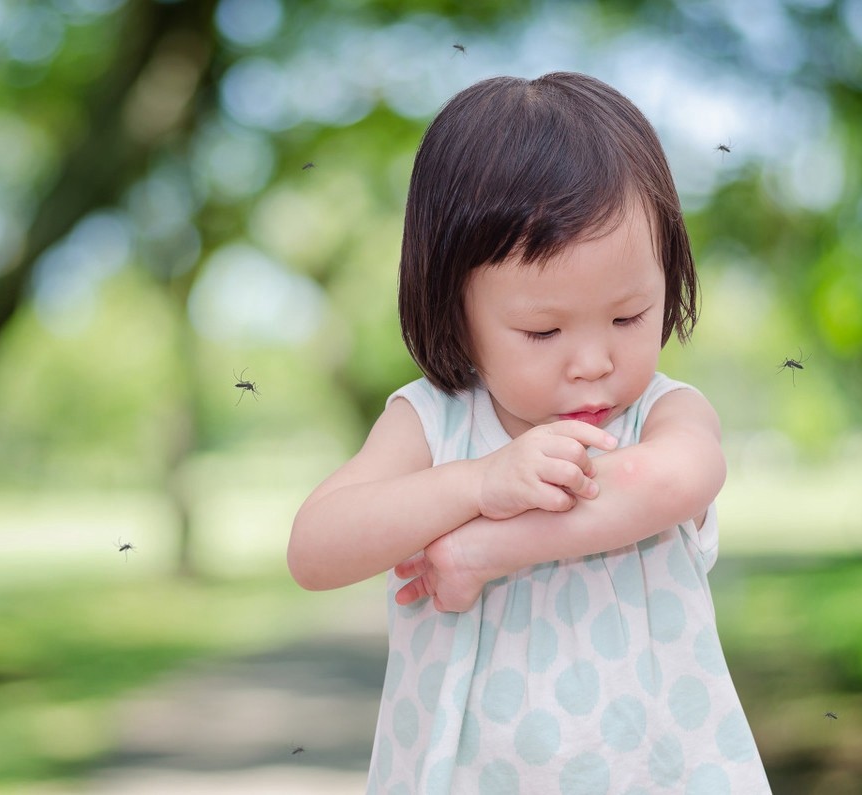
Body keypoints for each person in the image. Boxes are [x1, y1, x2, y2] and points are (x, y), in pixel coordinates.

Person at [287, 72, 771, 794]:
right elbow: (313, 548)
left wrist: (488, 547)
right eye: (543, 330)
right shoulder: (434, 423)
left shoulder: (661, 415)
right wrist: (477, 482)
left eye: (629, 316)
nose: (593, 362)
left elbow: (681, 478)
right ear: (455, 311)